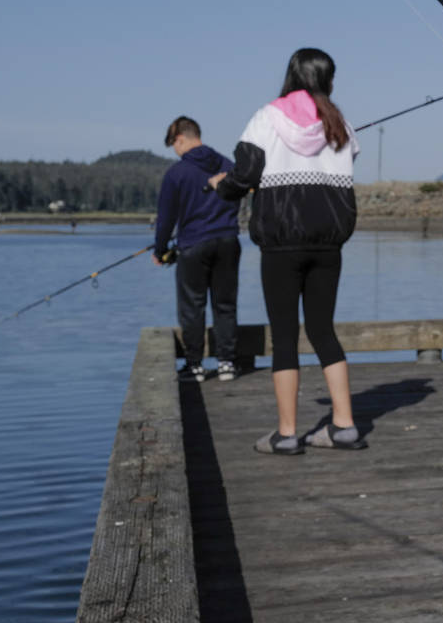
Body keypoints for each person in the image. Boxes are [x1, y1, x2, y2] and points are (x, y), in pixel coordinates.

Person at [215, 48, 366, 456]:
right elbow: (349, 156)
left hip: (281, 243)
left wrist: (221, 186)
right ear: (327, 79)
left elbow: (244, 173)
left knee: (284, 337)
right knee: (323, 331)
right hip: (329, 242)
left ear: (292, 75)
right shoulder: (340, 124)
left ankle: (286, 434)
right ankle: (344, 426)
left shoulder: (267, 117)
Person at [154, 115, 241, 382]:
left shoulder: (177, 173)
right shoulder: (228, 165)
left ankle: (194, 366)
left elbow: (166, 218)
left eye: (174, 144)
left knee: (192, 307)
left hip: (193, 244)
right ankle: (227, 363)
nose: (175, 150)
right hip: (227, 241)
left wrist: (160, 251)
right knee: (225, 304)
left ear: (181, 139)